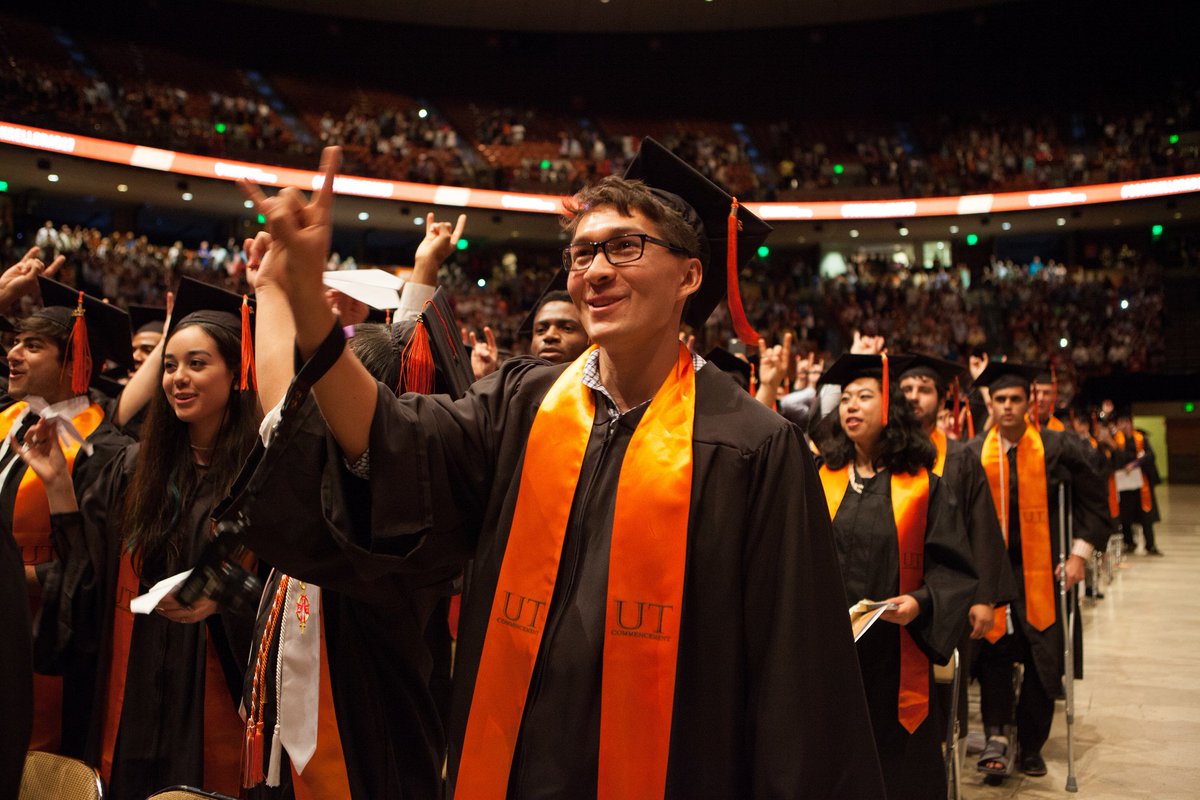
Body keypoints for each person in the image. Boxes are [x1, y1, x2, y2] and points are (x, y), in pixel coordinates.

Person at [237, 140, 885, 798]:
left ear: (690, 277)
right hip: (517, 768)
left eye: (624, 246)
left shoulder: (754, 448)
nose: (595, 270)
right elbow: (392, 443)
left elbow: (796, 682)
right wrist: (311, 314)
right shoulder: (524, 404)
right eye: (582, 252)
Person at [236, 227, 470, 799]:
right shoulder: (322, 470)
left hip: (369, 731)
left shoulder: (401, 507)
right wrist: (268, 288)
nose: (305, 405)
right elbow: (279, 407)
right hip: (295, 731)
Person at [23, 278, 260, 799]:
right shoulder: (135, 467)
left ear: (237, 373)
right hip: (129, 682)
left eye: (197, 364)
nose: (178, 378)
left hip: (213, 681)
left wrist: (224, 596)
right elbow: (89, 570)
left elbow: (281, 592)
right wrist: (60, 487)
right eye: (171, 366)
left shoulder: (261, 479)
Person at [814, 353, 977, 800]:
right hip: (827, 652)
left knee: (897, 770)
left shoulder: (925, 488)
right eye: (845, 398)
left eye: (865, 396)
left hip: (895, 654)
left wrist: (920, 602)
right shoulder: (818, 479)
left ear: (890, 409)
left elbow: (955, 571)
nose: (850, 406)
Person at [2, 276, 133, 756]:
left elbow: (91, 567)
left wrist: (17, 579)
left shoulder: (104, 452)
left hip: (46, 639)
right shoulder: (9, 420)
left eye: (31, 346)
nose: (13, 354)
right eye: (13, 342)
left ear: (74, 361)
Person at [967, 362, 1111, 780]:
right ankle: (998, 738)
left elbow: (1093, 499)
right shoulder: (975, 451)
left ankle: (1031, 745)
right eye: (1001, 400)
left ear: (1030, 401)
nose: (1009, 407)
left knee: (1041, 657)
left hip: (1042, 570)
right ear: (990, 404)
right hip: (991, 570)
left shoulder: (1059, 446)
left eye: (1016, 399)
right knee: (993, 653)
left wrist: (1080, 555)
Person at [897, 353, 1017, 745]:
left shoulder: (961, 457)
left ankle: (946, 760)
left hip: (947, 592)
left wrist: (984, 597)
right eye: (907, 389)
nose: (915, 397)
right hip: (893, 587)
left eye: (924, 389)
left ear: (942, 399)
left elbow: (981, 526)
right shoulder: (882, 455)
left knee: (945, 689)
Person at [1111, 410, 1162, 555]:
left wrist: (1135, 463)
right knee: (1125, 516)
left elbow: (1150, 456)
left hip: (1141, 484)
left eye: (1127, 422)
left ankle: (1150, 545)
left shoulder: (1140, 437)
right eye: (1121, 422)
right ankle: (1129, 543)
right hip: (1123, 485)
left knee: (1146, 516)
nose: (1124, 425)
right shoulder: (1115, 439)